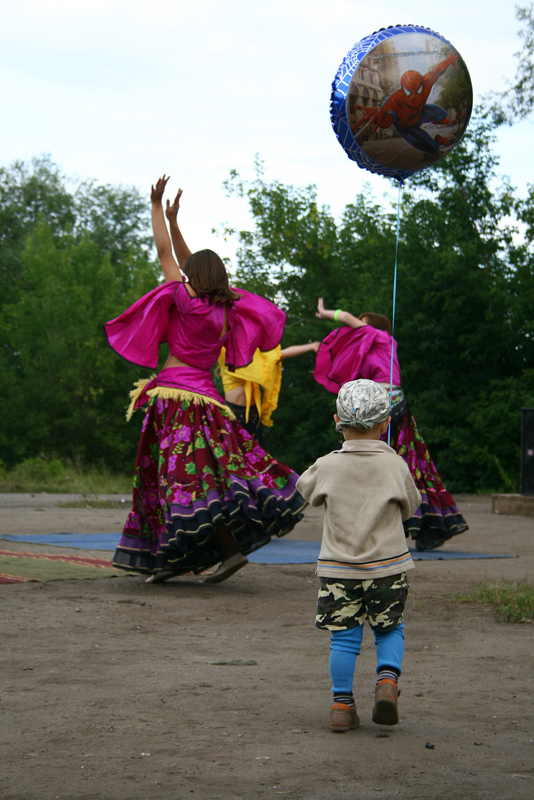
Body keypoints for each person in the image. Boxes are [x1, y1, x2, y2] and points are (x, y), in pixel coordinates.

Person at [104, 177, 306, 584]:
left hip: (176, 399)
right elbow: (186, 260)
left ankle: (184, 556)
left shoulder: (184, 300)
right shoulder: (228, 312)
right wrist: (177, 224)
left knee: (176, 477)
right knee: (200, 477)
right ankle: (191, 556)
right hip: (209, 402)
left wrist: (156, 206)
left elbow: (165, 254)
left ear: (192, 277)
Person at [296, 379, 421, 731]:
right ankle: (386, 682)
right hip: (388, 566)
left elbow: (305, 490)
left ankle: (341, 705)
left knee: (344, 637)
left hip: (339, 570)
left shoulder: (327, 464)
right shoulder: (395, 465)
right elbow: (411, 506)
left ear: (338, 422)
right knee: (390, 629)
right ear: (385, 425)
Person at [313, 298, 468, 551]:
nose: (357, 328)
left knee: (370, 460)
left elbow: (348, 319)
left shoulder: (382, 337)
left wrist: (325, 312)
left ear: (371, 325)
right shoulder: (374, 347)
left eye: (362, 323)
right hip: (390, 404)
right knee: (408, 462)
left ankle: (377, 521)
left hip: (385, 404)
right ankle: (424, 524)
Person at [218, 342, 320, 447]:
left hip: (253, 416)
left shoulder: (252, 358)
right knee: (237, 459)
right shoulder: (226, 353)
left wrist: (310, 346)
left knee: (258, 459)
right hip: (234, 415)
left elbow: (279, 355)